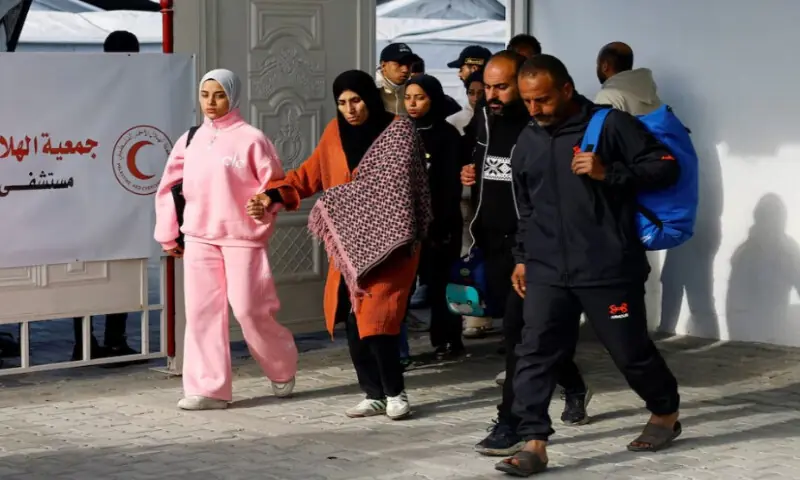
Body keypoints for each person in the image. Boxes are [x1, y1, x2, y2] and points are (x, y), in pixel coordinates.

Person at [497, 54, 682, 476]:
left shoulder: (610, 125)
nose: (533, 109)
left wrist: (609, 172)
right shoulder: (527, 137)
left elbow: (666, 167)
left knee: (629, 352)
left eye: (542, 99)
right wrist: (523, 258)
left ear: (565, 89)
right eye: (526, 101)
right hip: (546, 268)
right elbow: (526, 207)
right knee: (534, 352)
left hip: (607, 267)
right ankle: (534, 442)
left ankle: (665, 412)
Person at [248, 70, 432, 420]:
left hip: (391, 248)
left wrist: (336, 201)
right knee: (351, 318)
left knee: (379, 321)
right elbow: (308, 175)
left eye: (357, 101)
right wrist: (271, 194)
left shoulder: (398, 132)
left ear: (371, 98)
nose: (350, 109)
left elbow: (395, 192)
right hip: (350, 249)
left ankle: (396, 393)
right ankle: (373, 393)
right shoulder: (334, 133)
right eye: (343, 103)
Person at [459, 51, 589, 458]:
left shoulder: (542, 125)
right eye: (488, 87)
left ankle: (512, 422)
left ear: (525, 83)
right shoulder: (483, 116)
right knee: (531, 337)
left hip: (532, 248)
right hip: (491, 245)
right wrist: (466, 170)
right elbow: (470, 156)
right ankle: (572, 381)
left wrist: (531, 249)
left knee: (519, 336)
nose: (492, 95)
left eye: (502, 87)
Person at [154, 69, 298, 411]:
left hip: (242, 238)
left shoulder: (252, 138)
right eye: (205, 95)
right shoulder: (190, 139)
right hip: (199, 237)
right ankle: (209, 389)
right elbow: (168, 188)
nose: (211, 103)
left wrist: (265, 202)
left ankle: (281, 366)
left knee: (250, 309)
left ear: (232, 96)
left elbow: (276, 185)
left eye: (218, 95)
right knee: (201, 312)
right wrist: (168, 233)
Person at [71, 30, 143, 363]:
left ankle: (86, 342)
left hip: (89, 196)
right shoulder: (135, 89)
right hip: (115, 195)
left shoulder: (89, 87)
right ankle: (109, 340)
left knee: (94, 271)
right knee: (119, 269)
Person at [405, 74, 464, 359]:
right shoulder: (400, 133)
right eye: (408, 98)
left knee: (442, 284)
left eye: (420, 97)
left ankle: (448, 340)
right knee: (402, 287)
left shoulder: (447, 136)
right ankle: (398, 347)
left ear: (434, 99)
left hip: (440, 224)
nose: (413, 104)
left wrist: (439, 224)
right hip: (406, 224)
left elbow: (449, 186)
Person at [595, 42, 662, 116]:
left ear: (605, 66)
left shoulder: (607, 96)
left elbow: (600, 126)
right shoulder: (651, 94)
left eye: (598, 64)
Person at [376, 43, 415, 115]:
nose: (405, 70)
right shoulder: (371, 90)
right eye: (399, 63)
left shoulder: (414, 90)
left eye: (409, 64)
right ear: (383, 65)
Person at [447, 70, 484, 135]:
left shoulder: (493, 118)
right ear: (467, 93)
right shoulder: (453, 120)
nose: (476, 98)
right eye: (471, 93)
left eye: (480, 93)